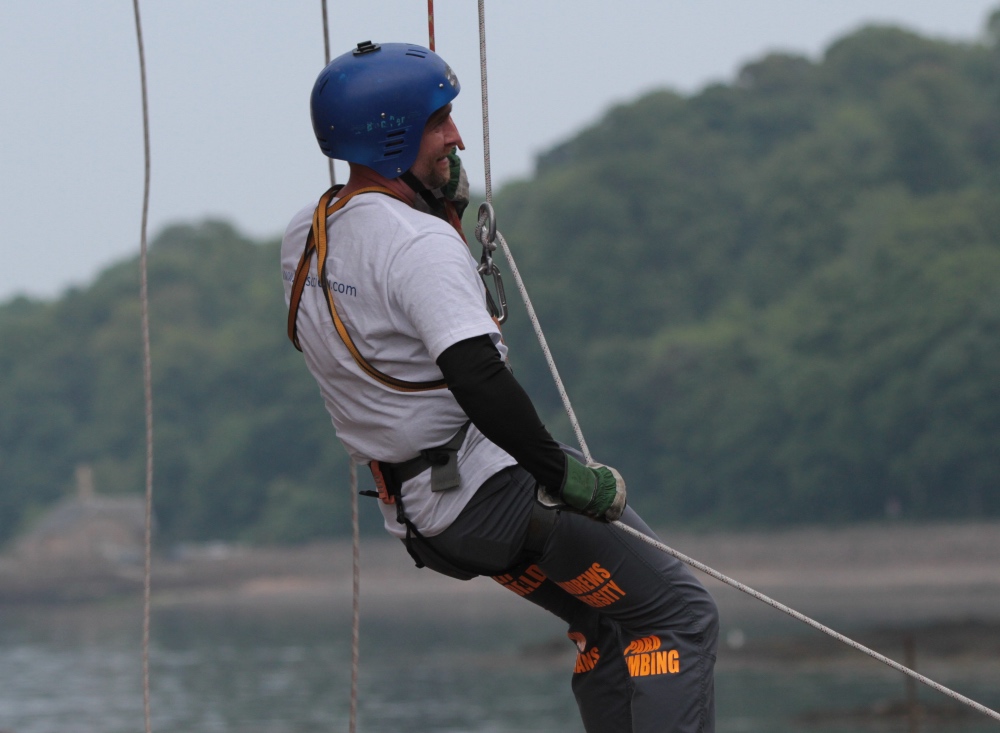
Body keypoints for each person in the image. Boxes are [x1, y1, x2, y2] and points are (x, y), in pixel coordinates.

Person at [282, 40, 719, 733]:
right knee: (679, 616)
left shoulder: (308, 241)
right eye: (438, 121)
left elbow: (391, 336)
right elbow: (476, 376)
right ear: (391, 134)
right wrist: (565, 475)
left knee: (608, 620)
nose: (455, 137)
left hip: (426, 517)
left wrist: (442, 214)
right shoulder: (416, 246)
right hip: (497, 498)